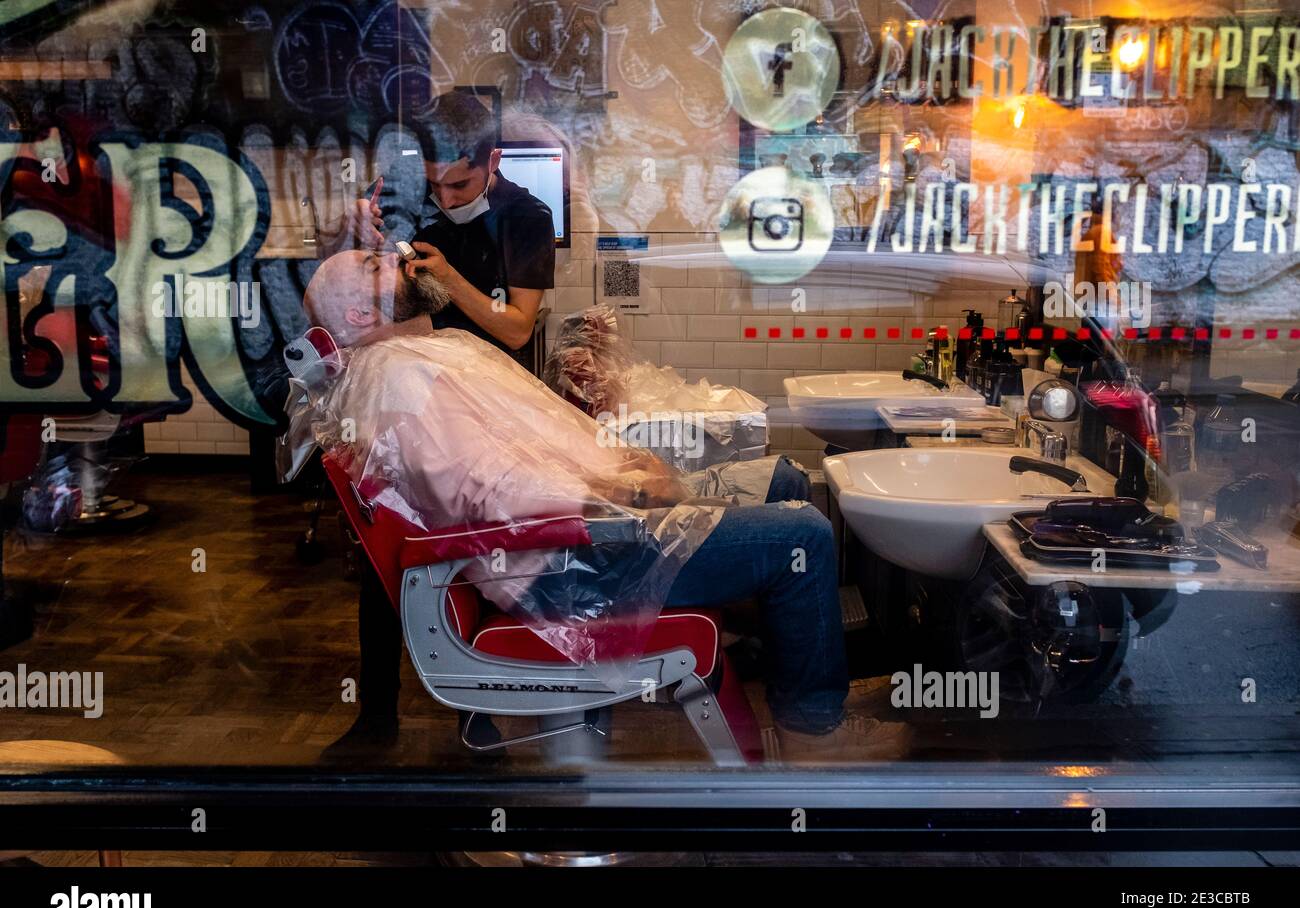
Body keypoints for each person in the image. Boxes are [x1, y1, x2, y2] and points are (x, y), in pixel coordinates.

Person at [305, 251, 909, 763]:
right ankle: (815, 737)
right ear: (361, 313)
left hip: (585, 533)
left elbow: (539, 444)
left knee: (780, 481)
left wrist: (625, 461)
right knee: (803, 534)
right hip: (569, 565)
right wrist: (628, 491)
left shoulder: (433, 354)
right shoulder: (402, 376)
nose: (396, 255)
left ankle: (790, 683)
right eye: (373, 261)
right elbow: (489, 489)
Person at [327, 92, 555, 367]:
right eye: (435, 183)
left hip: (484, 375)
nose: (446, 199)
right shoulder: (401, 186)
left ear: (493, 161)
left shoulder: (528, 218)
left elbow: (517, 332)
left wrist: (448, 280)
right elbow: (333, 276)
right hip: (400, 368)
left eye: (460, 185)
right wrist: (348, 229)